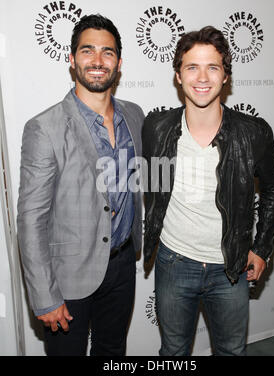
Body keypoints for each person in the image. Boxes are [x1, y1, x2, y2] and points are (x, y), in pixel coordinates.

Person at [142, 26, 274, 356]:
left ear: (226, 77)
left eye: (213, 67)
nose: (202, 77)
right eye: (192, 67)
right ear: (178, 75)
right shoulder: (157, 128)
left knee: (231, 352)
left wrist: (262, 248)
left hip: (229, 269)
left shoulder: (253, 133)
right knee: (173, 353)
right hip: (173, 263)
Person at [17, 14, 144, 356]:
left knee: (112, 350)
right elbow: (31, 219)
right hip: (67, 276)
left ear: (119, 62)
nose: (98, 61)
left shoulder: (134, 115)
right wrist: (44, 296)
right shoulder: (45, 127)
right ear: (72, 60)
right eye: (88, 51)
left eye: (108, 52)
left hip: (120, 265)